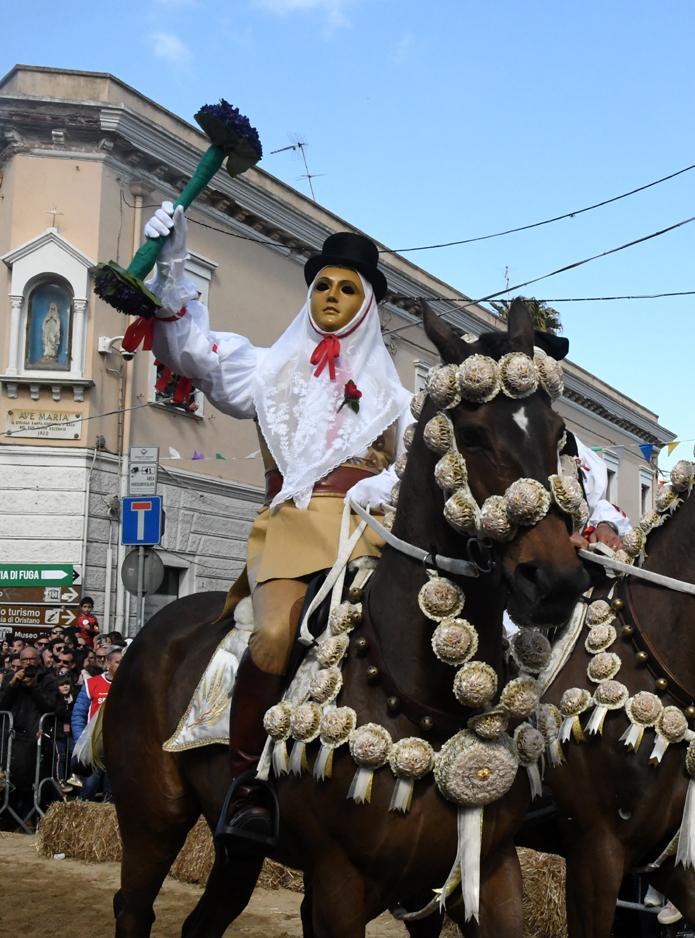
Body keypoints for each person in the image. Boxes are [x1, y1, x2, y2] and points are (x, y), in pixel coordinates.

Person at [144, 201, 411, 847]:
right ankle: (248, 784)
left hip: (371, 534)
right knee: (272, 632)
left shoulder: (396, 398)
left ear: (366, 305)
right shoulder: (265, 368)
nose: (331, 296)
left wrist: (383, 484)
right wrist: (170, 264)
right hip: (291, 531)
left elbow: (415, 468)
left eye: (347, 289)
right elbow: (187, 352)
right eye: (323, 285)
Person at [0, 646, 58, 821]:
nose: (28, 663)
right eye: (24, 660)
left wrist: (34, 687)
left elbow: (50, 706)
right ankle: (8, 818)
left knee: (31, 779)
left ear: (38, 660)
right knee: (9, 779)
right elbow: (2, 704)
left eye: (31, 659)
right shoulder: (12, 677)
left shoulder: (47, 679)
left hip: (35, 735)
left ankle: (31, 818)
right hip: (12, 735)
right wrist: (12, 684)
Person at [71, 647, 122, 802]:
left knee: (111, 792)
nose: (122, 665)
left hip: (116, 748)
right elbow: (78, 714)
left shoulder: (128, 686)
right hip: (93, 748)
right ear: (107, 663)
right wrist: (82, 742)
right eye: (118, 662)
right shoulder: (92, 684)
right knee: (89, 788)